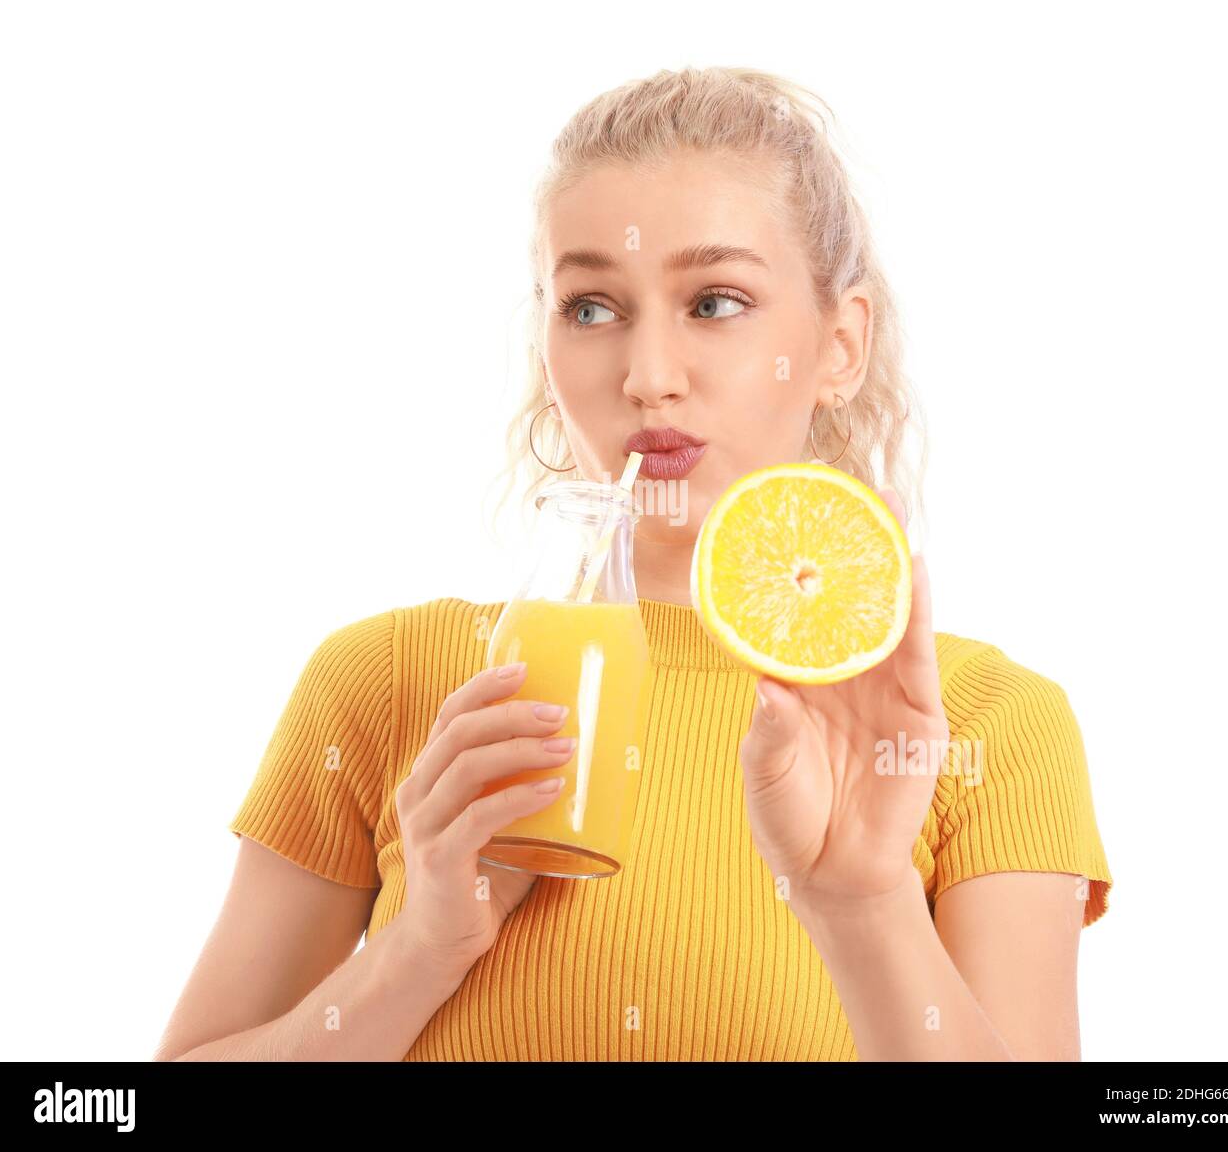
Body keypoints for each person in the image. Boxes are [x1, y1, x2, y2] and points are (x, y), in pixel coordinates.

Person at [155, 66, 1112, 1063]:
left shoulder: (979, 723)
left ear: (838, 343)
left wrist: (863, 902)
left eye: (715, 301)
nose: (649, 376)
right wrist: (415, 951)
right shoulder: (389, 679)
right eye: (592, 309)